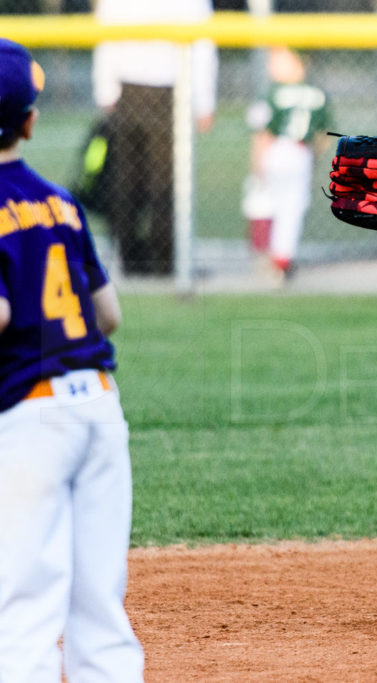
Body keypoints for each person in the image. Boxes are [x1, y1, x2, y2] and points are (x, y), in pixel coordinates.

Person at [0, 39, 144, 680]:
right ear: (30, 121)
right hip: (99, 406)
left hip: (33, 416)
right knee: (98, 605)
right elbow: (107, 314)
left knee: (23, 603)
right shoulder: (60, 200)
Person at [92, 0, 218, 276]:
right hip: (165, 92)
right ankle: (161, 261)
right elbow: (203, 43)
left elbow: (105, 34)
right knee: (161, 181)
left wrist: (105, 88)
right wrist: (204, 100)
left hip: (148, 90)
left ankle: (134, 260)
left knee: (130, 178)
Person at [245, 45, 330, 281]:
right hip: (302, 153)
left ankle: (264, 253)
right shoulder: (318, 93)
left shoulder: (272, 93)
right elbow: (323, 136)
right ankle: (282, 259)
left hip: (275, 151)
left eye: (278, 59)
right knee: (292, 208)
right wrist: (313, 162)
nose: (271, 66)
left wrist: (257, 163)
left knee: (263, 199)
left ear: (296, 61)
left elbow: (263, 133)